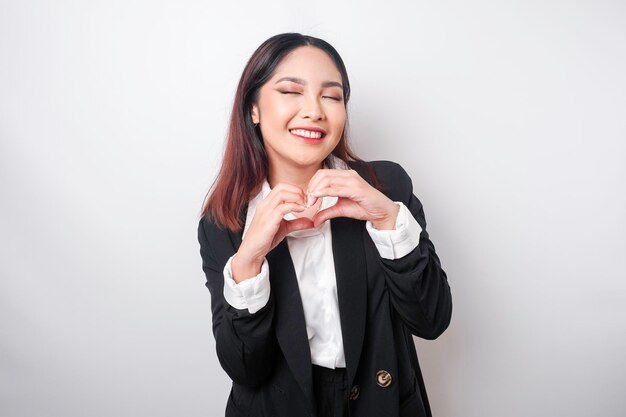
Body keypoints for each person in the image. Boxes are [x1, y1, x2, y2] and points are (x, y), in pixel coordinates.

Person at [197, 32, 452, 417]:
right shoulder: (225, 222)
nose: (314, 110)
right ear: (254, 108)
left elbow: (431, 320)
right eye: (290, 91)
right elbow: (244, 367)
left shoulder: (386, 187)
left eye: (331, 96)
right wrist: (249, 260)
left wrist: (386, 219)